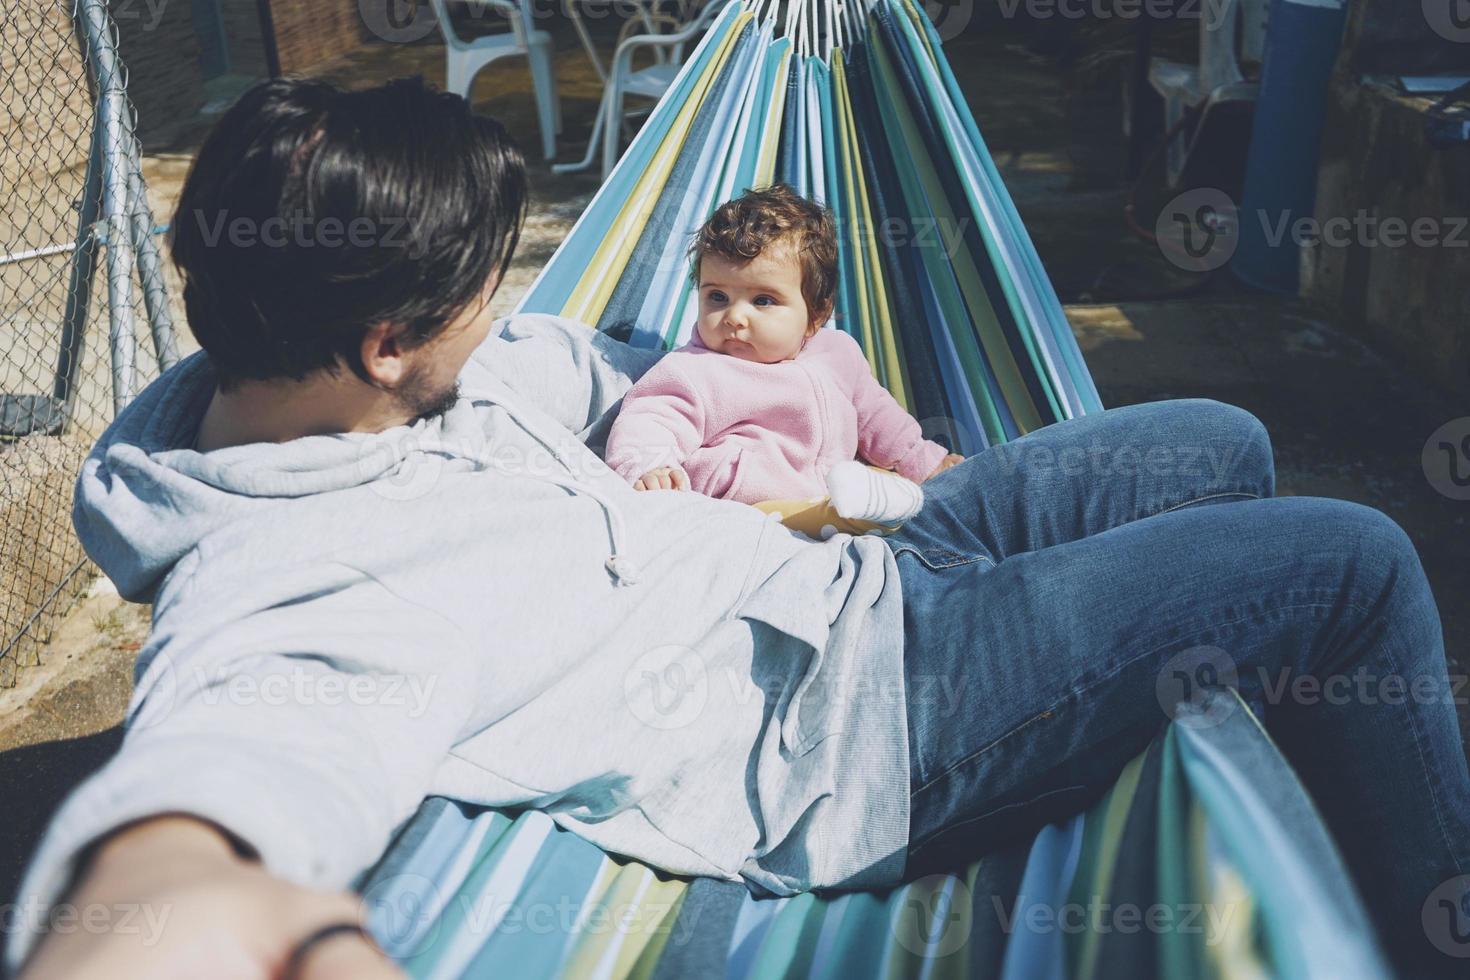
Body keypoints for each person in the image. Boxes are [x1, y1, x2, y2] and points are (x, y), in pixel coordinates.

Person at [8, 77, 1468, 980]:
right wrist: (157, 891)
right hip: (865, 715)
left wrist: (765, 357)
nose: (508, 309)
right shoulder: (288, 577)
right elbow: (230, 763)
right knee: (1351, 565)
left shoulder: (365, 369)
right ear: (391, 338)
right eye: (484, 289)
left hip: (856, 552)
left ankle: (1321, 807)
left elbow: (592, 358)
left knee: (1222, 443)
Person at [604, 184, 962, 527]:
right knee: (846, 508)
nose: (734, 317)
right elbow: (651, 419)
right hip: (745, 511)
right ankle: (850, 519)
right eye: (717, 297)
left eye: (763, 301)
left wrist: (923, 461)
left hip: (829, 493)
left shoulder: (839, 353)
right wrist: (650, 466)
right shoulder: (693, 371)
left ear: (816, 314)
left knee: (889, 495)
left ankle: (864, 515)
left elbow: (878, 418)